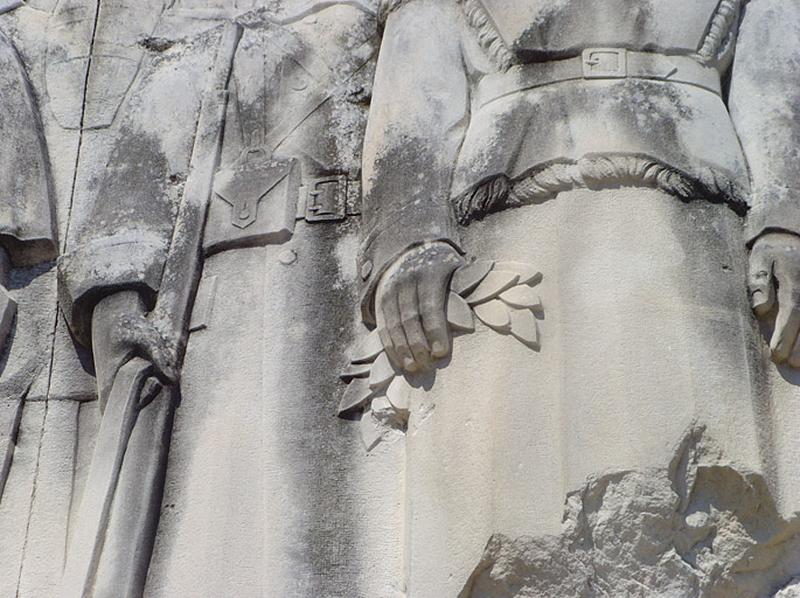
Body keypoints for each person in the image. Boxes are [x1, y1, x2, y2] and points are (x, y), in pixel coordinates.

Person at [360, 0, 800, 594]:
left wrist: (786, 221)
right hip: (515, 229)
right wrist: (408, 241)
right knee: (512, 508)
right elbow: (413, 105)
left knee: (713, 495)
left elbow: (779, 80)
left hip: (695, 225)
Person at [59, 2, 402, 595]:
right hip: (225, 327)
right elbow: (129, 192)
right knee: (220, 524)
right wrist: (119, 308)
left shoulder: (382, 28)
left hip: (339, 300)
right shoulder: (197, 57)